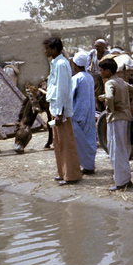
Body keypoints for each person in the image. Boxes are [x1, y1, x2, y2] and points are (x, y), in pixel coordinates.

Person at [44, 37, 83, 185]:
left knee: (66, 143)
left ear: (54, 49)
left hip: (60, 110)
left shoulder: (61, 64)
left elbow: (62, 90)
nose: (45, 51)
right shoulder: (56, 63)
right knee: (59, 143)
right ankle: (63, 172)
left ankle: (71, 175)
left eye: (47, 48)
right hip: (55, 107)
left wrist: (60, 113)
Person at [99, 58, 133, 191]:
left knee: (116, 150)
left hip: (116, 119)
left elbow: (110, 97)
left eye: (101, 70)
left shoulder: (109, 82)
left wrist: (109, 107)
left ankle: (121, 182)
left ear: (107, 71)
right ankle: (126, 179)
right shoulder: (121, 81)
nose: (100, 73)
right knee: (123, 149)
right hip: (126, 118)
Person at [71, 51, 97, 175]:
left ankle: (84, 165)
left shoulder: (76, 78)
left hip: (78, 113)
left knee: (79, 140)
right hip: (89, 113)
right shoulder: (89, 77)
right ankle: (89, 164)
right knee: (89, 138)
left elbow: (70, 96)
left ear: (75, 64)